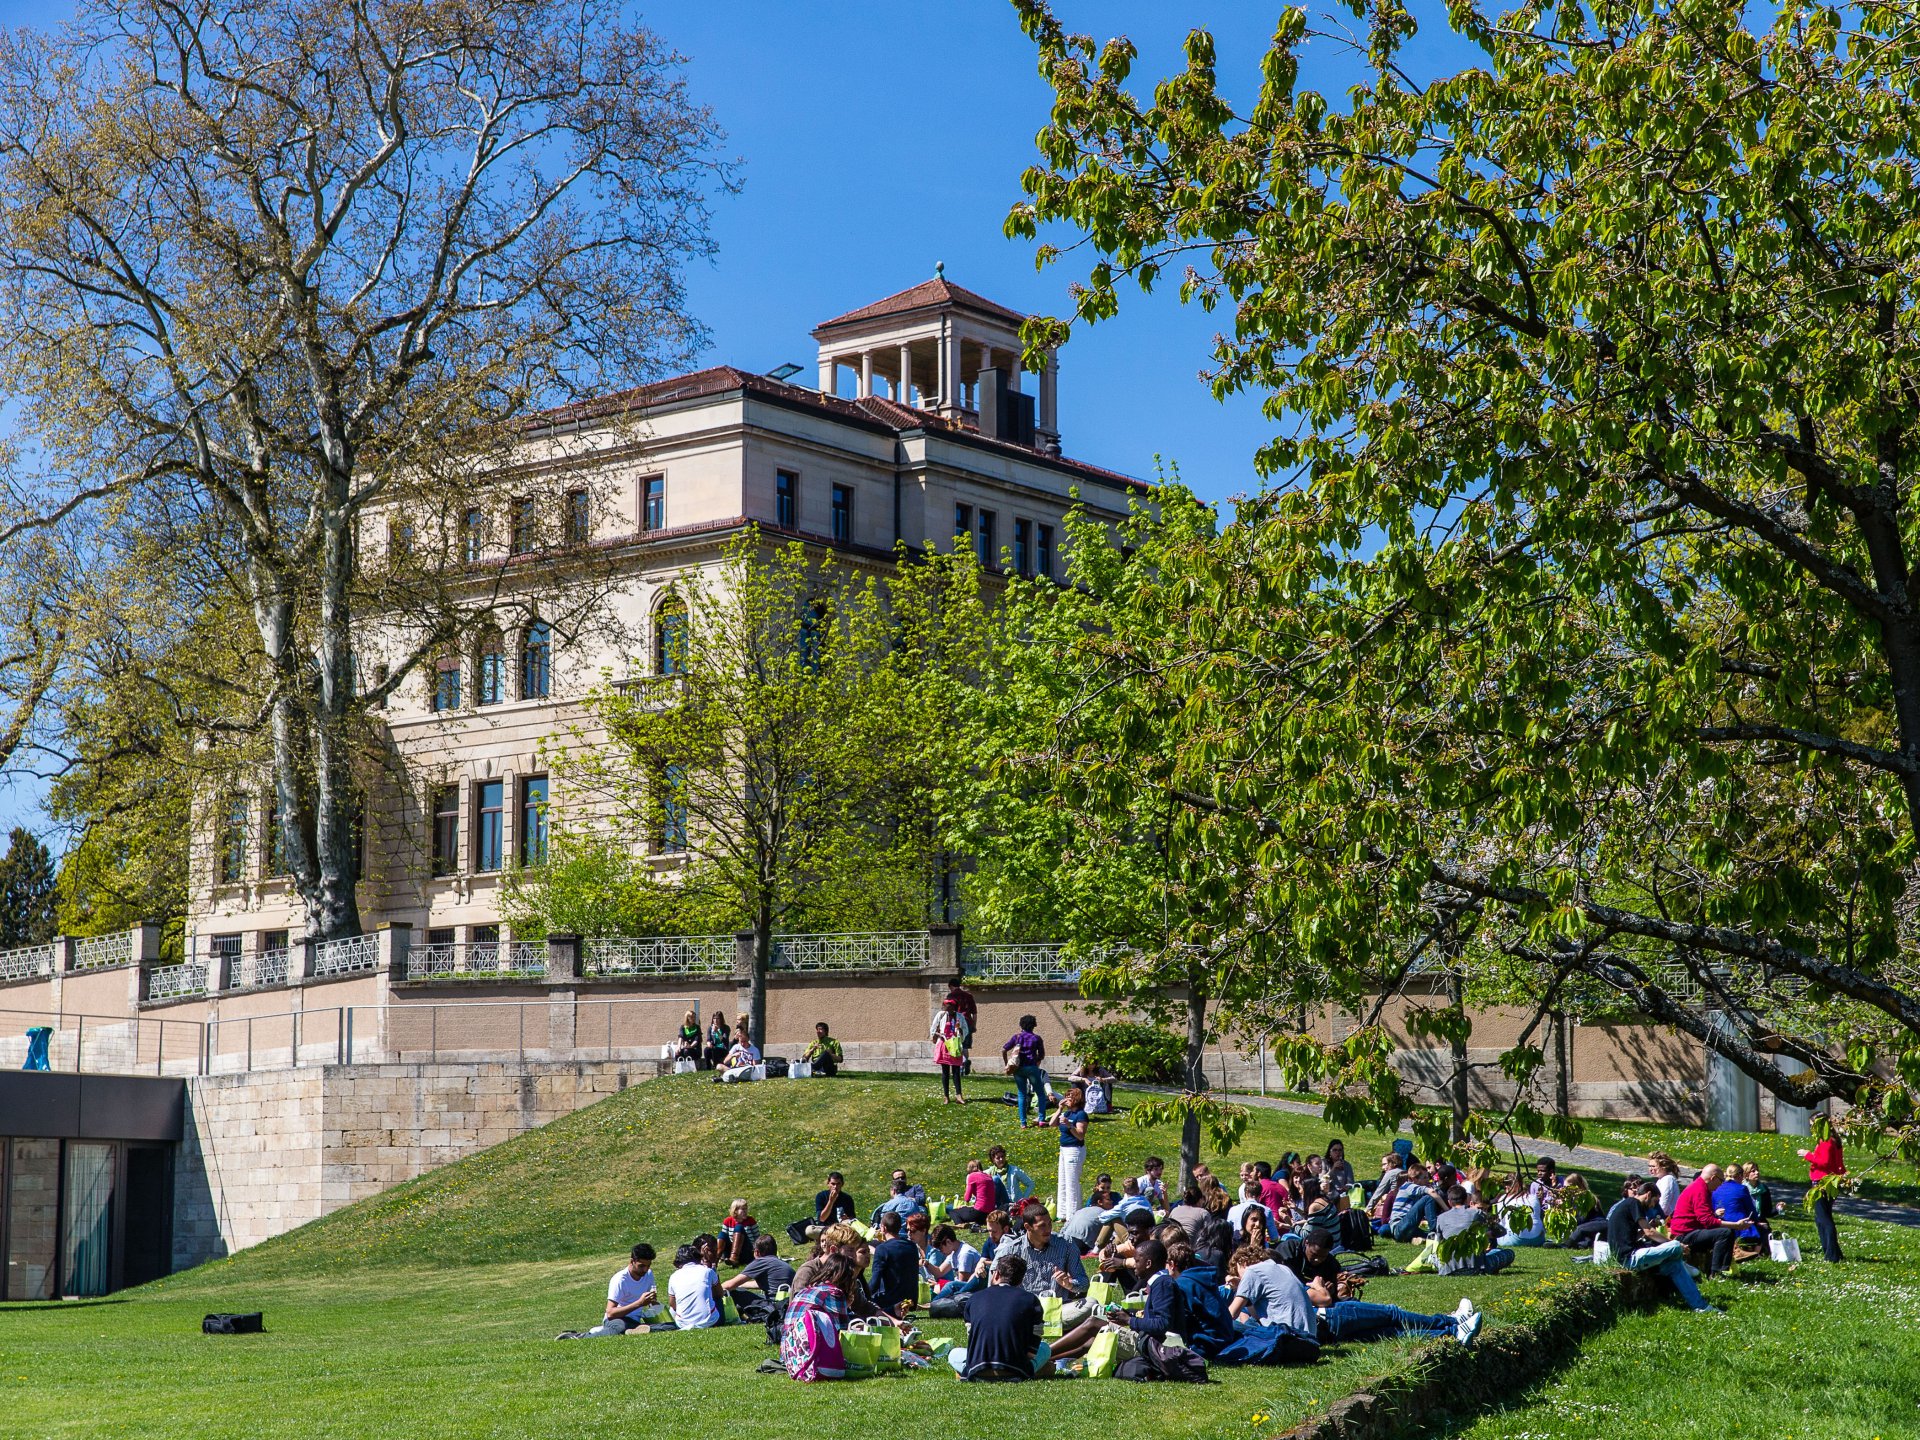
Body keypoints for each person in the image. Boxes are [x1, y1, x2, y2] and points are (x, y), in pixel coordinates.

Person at [1606, 1176, 1718, 1313]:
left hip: (1626, 1256)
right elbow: (1649, 1232)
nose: (1654, 1205)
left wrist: (1645, 1230)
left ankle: (1700, 1306)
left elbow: (1634, 1236)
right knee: (1675, 1246)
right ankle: (1682, 1261)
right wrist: (1676, 1245)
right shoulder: (1634, 1203)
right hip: (1629, 1258)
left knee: (1674, 1266)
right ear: (1648, 1194)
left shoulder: (1628, 1205)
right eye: (1655, 1201)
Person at [950, 1254, 1050, 1380]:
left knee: (954, 1353)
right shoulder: (1030, 1299)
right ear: (1021, 1280)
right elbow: (1032, 1350)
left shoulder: (974, 1299)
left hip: (978, 1368)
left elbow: (972, 1338)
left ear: (996, 1274)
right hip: (1016, 1370)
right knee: (1045, 1348)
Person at [560, 1242, 664, 1338]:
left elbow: (652, 1302)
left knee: (668, 1326)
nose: (645, 1269)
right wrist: (639, 1303)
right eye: (641, 1266)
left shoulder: (648, 1274)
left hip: (636, 1320)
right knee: (619, 1329)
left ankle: (634, 1330)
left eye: (648, 1266)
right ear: (632, 1261)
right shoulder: (620, 1280)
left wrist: (653, 1303)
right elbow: (610, 1313)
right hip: (617, 1320)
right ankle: (577, 1336)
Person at [780, 1252, 856, 1381]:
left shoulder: (807, 1290)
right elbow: (843, 1333)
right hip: (812, 1357)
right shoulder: (834, 1292)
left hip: (789, 1356)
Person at [1001, 1204, 1087, 1304]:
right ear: (1028, 1227)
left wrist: (1069, 1284)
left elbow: (1084, 1283)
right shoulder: (1012, 1250)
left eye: (1050, 1223)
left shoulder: (1065, 1243)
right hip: (1027, 1308)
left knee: (1090, 1303)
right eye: (1042, 1226)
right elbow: (998, 1288)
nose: (1048, 1229)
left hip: (1059, 1307)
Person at [1669, 1164, 1740, 1277]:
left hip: (1692, 1231)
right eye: (1721, 1181)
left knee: (1727, 1231)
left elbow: (1705, 1217)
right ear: (1713, 1178)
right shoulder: (1699, 1190)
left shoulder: (1701, 1187)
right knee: (1725, 1233)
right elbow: (1707, 1221)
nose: (1721, 1184)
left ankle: (1722, 1269)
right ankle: (1716, 1273)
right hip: (1684, 1235)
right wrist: (1736, 1225)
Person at [1433, 1186, 1515, 1276]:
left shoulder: (1441, 1218)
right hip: (1476, 1268)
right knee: (1509, 1253)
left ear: (1449, 1202)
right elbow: (1501, 1231)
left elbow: (1440, 1244)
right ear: (1467, 1200)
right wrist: (1486, 1234)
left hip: (1449, 1270)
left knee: (1432, 1257)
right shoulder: (1477, 1213)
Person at [1799, 1131, 1845, 1262]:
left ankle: (1832, 1255)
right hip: (1831, 1181)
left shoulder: (1826, 1141)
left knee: (1824, 1219)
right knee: (1822, 1218)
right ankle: (1833, 1252)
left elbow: (1824, 1162)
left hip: (1822, 1182)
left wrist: (1807, 1155)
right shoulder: (1834, 1140)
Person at [866, 1211, 920, 1317]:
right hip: (911, 1300)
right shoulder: (912, 1246)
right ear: (900, 1227)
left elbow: (875, 1282)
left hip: (890, 1300)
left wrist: (863, 1295)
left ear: (883, 1228)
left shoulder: (882, 1249)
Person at [1002, 1015, 1049, 1128]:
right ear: (1034, 1025)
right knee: (1040, 1094)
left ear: (1021, 1025)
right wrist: (1037, 1061)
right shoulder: (1037, 1038)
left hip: (1018, 1069)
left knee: (1021, 1094)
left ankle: (1023, 1123)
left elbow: (1003, 1049)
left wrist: (1007, 1063)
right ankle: (1041, 1119)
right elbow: (1041, 1055)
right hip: (1032, 1068)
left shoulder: (1016, 1037)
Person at [790, 1171, 857, 1246]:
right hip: (825, 1228)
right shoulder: (821, 1196)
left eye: (838, 1184)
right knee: (809, 1230)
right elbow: (822, 1218)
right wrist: (831, 1201)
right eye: (833, 1184)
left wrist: (847, 1218)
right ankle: (835, 1239)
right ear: (828, 1184)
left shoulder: (847, 1198)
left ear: (842, 1184)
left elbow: (853, 1219)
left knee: (852, 1226)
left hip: (840, 1228)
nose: (835, 1187)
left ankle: (832, 1239)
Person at [667, 1242, 725, 1328]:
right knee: (717, 1298)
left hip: (683, 1324)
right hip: (711, 1321)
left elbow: (672, 1304)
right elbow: (720, 1294)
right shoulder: (707, 1271)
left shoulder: (673, 1276)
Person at [1054, 1083, 1090, 1216]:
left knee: (1072, 1183)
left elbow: (1080, 1135)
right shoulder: (1067, 1113)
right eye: (1066, 1096)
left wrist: (1069, 1125)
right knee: (1063, 1181)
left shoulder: (1081, 1115)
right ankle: (1062, 1213)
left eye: (1070, 1097)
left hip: (1074, 1150)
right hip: (1064, 1150)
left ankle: (1073, 1214)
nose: (1066, 1099)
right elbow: (1052, 1123)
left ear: (1076, 1099)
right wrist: (1059, 1109)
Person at [1711, 1165, 1766, 1248]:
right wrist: (1757, 1222)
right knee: (1764, 1230)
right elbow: (1750, 1209)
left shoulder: (1716, 1188)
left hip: (1721, 1224)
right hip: (1739, 1226)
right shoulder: (1742, 1188)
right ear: (1740, 1175)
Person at [723, 1234, 795, 1297]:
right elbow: (767, 1284)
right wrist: (739, 1285)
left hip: (774, 1303)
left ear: (757, 1252)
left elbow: (729, 1285)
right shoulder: (781, 1263)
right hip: (786, 1302)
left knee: (732, 1292)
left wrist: (717, 1289)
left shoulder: (761, 1261)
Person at [1388, 1163, 1442, 1242]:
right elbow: (1432, 1192)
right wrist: (1447, 1209)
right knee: (1428, 1198)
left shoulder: (1416, 1191)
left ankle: (1416, 1240)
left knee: (1430, 1236)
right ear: (1414, 1179)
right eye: (1424, 1177)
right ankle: (1435, 1231)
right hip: (1399, 1228)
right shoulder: (1408, 1186)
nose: (1428, 1180)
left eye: (1428, 1177)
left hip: (1408, 1228)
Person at [931, 996, 970, 1103]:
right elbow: (933, 1029)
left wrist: (959, 1030)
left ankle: (959, 1096)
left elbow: (966, 1029)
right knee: (945, 1072)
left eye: (950, 1008)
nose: (947, 1010)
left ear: (954, 1008)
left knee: (956, 1071)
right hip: (944, 1045)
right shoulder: (941, 1015)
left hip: (955, 1045)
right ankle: (946, 1096)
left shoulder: (960, 1017)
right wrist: (940, 1034)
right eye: (946, 1007)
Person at [926, 1223, 984, 1295]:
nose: (940, 1251)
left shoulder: (964, 1254)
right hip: (963, 1289)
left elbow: (960, 1284)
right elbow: (939, 1272)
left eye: (940, 1248)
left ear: (948, 1242)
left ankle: (934, 1302)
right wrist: (926, 1264)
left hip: (974, 1291)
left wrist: (940, 1284)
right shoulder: (953, 1252)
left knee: (946, 1288)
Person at [944, 977, 978, 1072]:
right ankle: (965, 1061)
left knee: (956, 1044)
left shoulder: (951, 996)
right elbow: (974, 1013)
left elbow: (948, 1011)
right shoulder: (969, 996)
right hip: (967, 1022)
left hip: (956, 1022)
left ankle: (960, 1065)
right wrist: (974, 1025)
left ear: (951, 986)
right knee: (965, 1046)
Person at [986, 1145, 1034, 1211]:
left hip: (1014, 1204)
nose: (1001, 1159)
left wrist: (1023, 1199)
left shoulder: (1014, 1170)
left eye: (1002, 1156)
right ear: (993, 1160)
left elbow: (1030, 1184)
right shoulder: (988, 1173)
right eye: (998, 1158)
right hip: (998, 1205)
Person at [953, 1159, 999, 1224]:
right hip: (989, 1213)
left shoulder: (972, 1176)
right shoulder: (988, 1176)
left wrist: (967, 1186)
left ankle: (960, 1225)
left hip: (979, 1212)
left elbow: (967, 1198)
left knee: (954, 1211)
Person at [1647, 1152, 1683, 1218]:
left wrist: (1654, 1216)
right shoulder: (1660, 1180)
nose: (1650, 1169)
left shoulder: (1668, 1180)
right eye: (1649, 1166)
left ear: (1663, 1167)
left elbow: (1663, 1203)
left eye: (1653, 1166)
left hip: (1666, 1217)